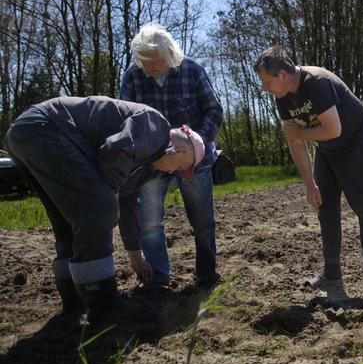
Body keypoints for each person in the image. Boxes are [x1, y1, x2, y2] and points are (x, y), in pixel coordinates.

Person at [4, 96, 205, 325]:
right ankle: (104, 305)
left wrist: (135, 256)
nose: (172, 174)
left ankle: (74, 299)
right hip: (46, 127)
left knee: (70, 220)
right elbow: (114, 150)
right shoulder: (155, 125)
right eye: (180, 167)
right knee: (98, 207)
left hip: (28, 133)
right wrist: (107, 197)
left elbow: (127, 203)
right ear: (178, 151)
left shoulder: (146, 166)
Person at [253, 45, 363, 303]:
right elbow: (296, 143)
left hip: (355, 142)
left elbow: (333, 129)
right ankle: (332, 275)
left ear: (282, 74)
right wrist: (309, 184)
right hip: (328, 148)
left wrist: (301, 135)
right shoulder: (282, 98)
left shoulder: (316, 82)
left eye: (266, 81)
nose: (265, 88)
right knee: (324, 206)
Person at [120, 23, 223, 287]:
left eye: (156, 61)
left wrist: (192, 145)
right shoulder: (132, 77)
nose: (151, 67)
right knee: (150, 223)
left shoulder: (192, 70)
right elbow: (125, 121)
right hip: (153, 162)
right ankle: (158, 279)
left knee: (202, 221)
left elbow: (213, 111)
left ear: (170, 52)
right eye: (145, 62)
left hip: (194, 158)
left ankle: (207, 276)